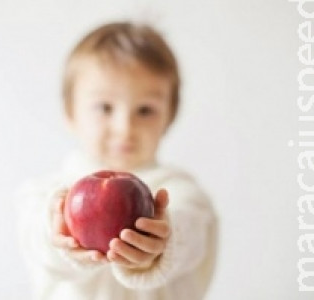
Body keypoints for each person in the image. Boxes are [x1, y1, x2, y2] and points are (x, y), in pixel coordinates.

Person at [15, 21, 218, 300]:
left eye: (145, 110)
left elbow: (192, 236)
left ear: (168, 118)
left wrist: (160, 245)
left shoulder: (181, 193)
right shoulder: (46, 197)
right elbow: (36, 244)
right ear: (70, 112)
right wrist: (60, 237)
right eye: (104, 107)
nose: (125, 127)